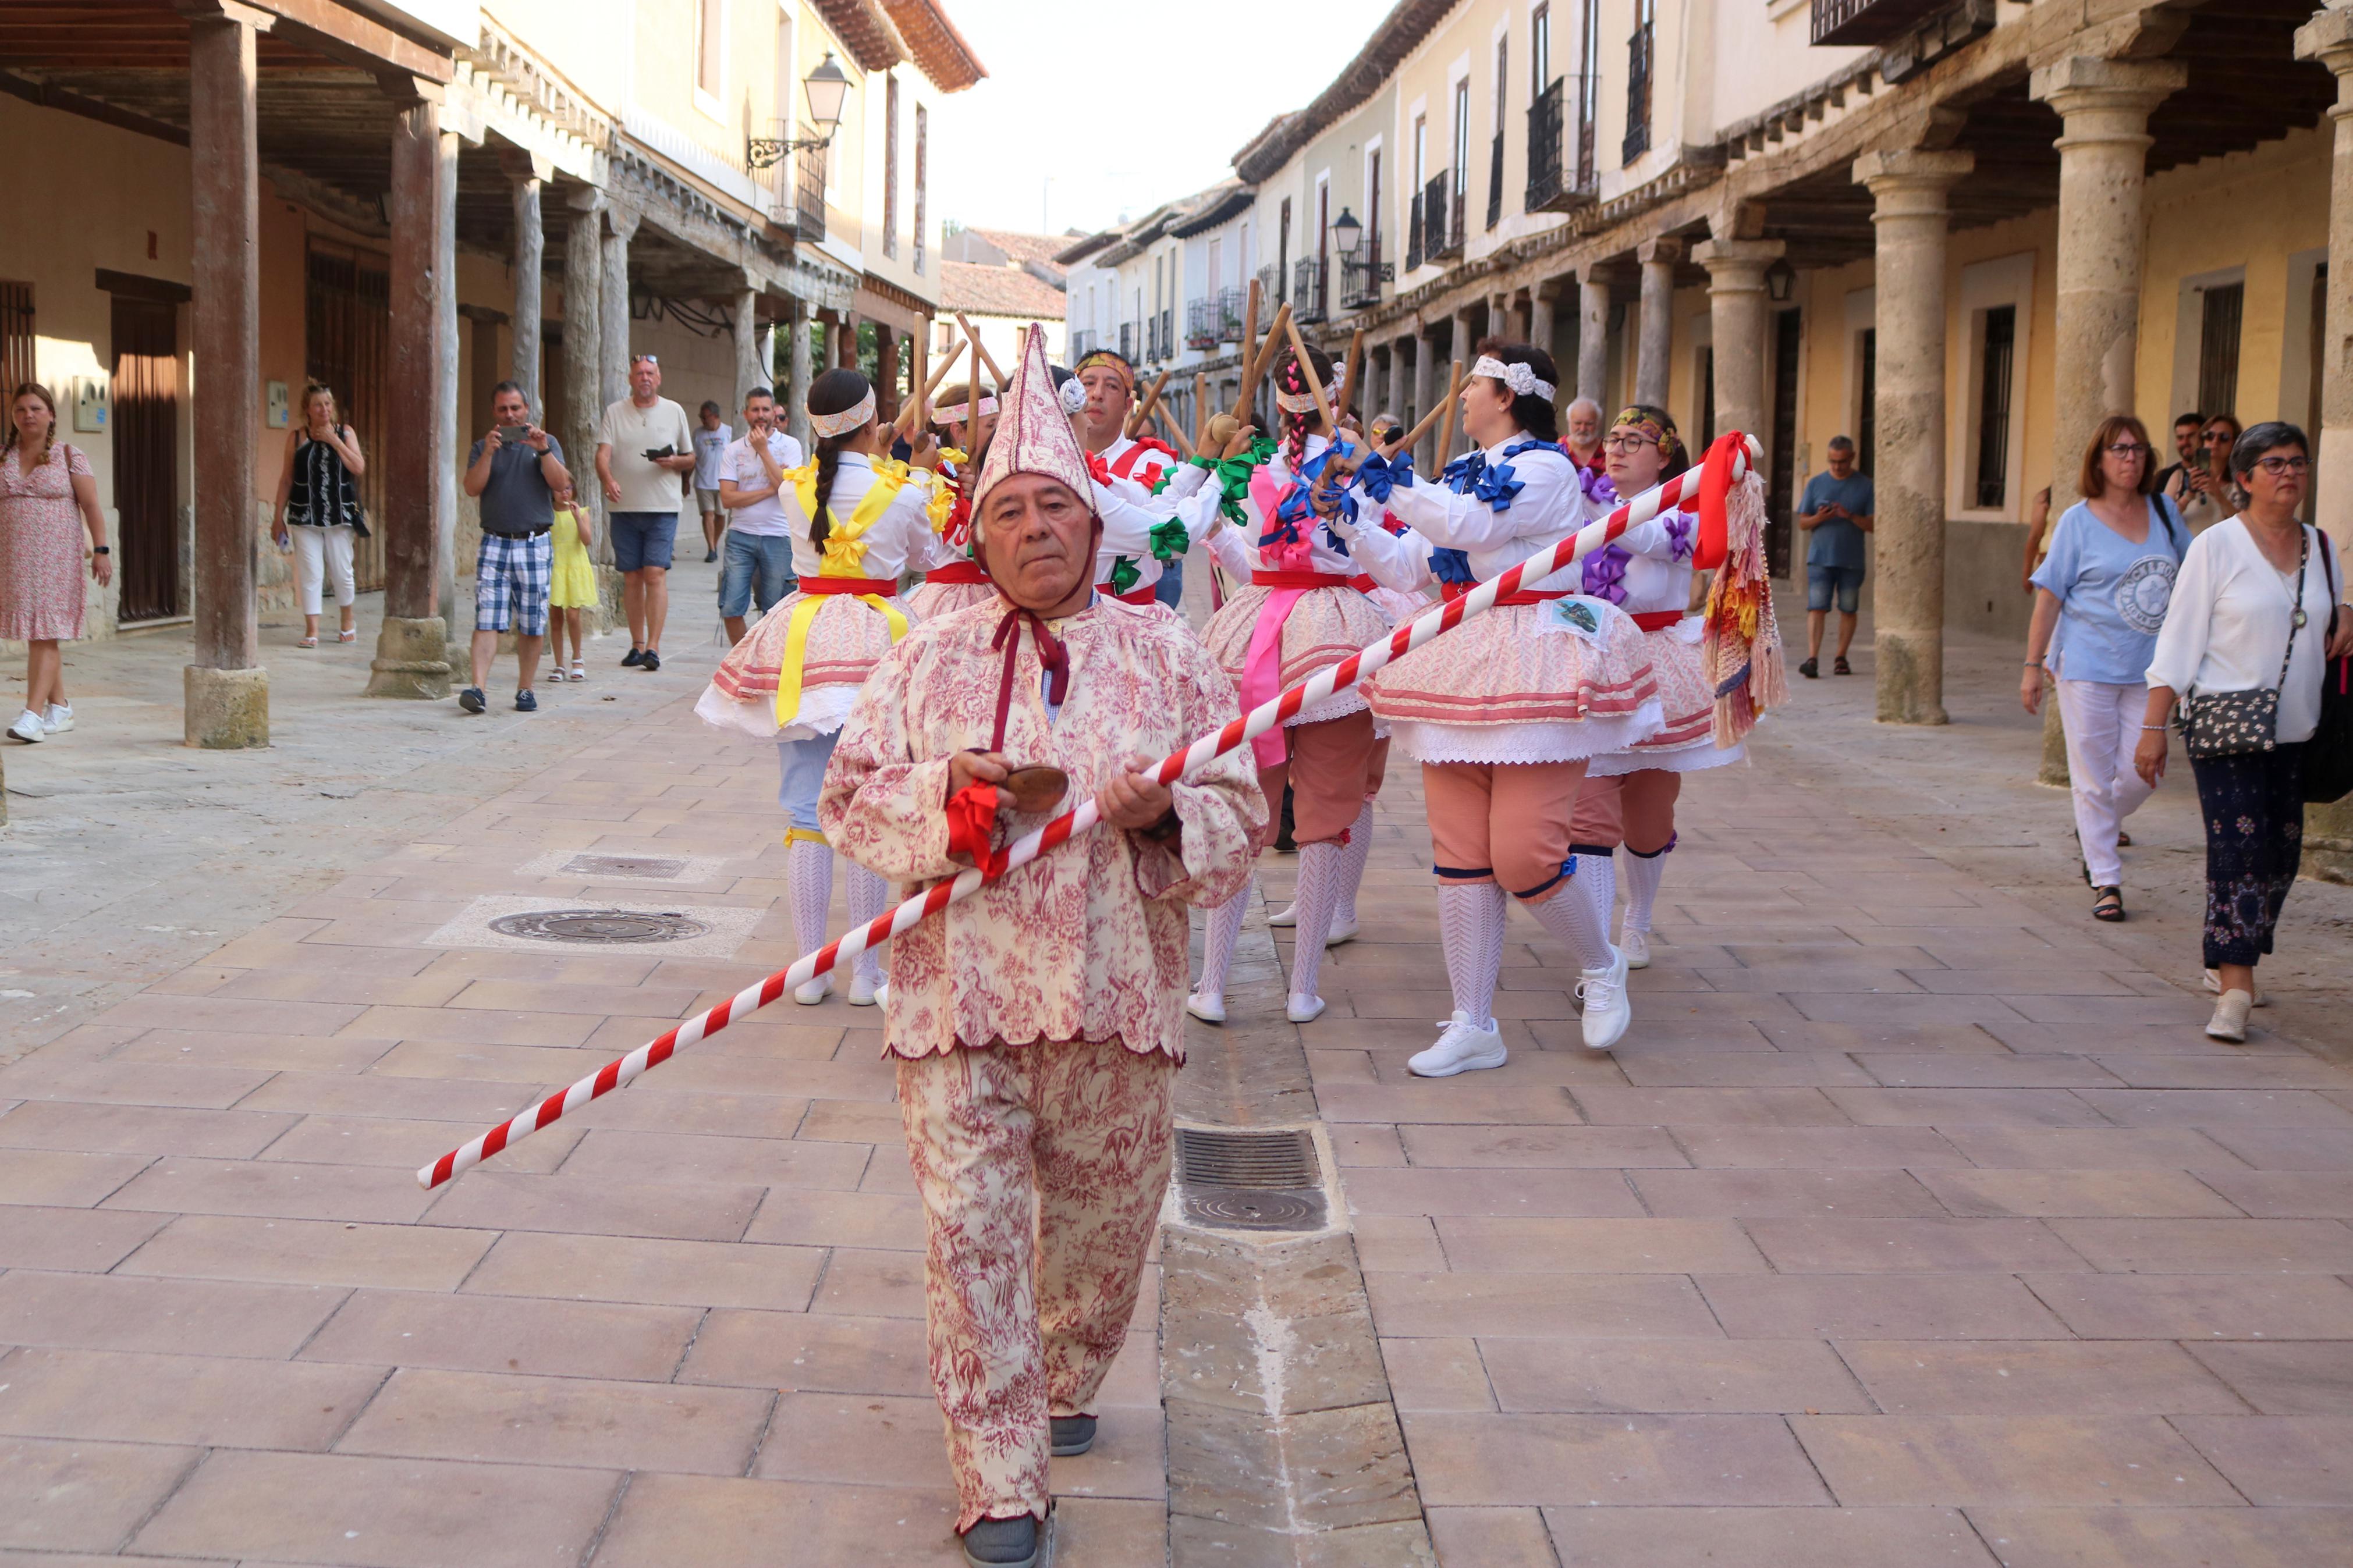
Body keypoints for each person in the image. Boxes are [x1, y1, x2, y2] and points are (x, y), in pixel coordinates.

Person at [819, 324, 1261, 1568]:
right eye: (1006, 510)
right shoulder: (923, 654)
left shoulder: (1169, 657)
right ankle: (999, 1475)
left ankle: (1063, 1373)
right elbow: (849, 802)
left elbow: (1238, 824)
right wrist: (953, 798)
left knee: (1100, 1232)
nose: (1032, 530)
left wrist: (1162, 809)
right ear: (977, 532)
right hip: (957, 1002)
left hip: (1118, 999)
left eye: (1053, 507)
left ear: (1092, 522)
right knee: (969, 1234)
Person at [1335, 342, 1665, 1068]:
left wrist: (1385, 478)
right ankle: (1471, 1023)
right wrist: (1347, 520)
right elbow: (1412, 565)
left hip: (1535, 656)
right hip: (1461, 650)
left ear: (1507, 395)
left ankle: (1601, 962)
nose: (1462, 396)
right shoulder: (1460, 475)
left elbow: (1474, 530)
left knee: (1525, 854)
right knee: (1460, 857)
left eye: (1475, 383)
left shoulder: (1545, 469)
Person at [694, 367, 942, 1008]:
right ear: (870, 420)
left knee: (808, 809)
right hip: (880, 641)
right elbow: (932, 558)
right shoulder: (902, 489)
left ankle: (810, 969)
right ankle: (866, 974)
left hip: (804, 642)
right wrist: (918, 474)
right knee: (868, 801)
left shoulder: (795, 488)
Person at [1188, 343, 1392, 1026]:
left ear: (1279, 407)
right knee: (1322, 816)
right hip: (1326, 628)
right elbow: (1371, 556)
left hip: (1270, 632)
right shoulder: (1346, 470)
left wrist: (1220, 533)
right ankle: (1298, 987)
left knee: (1251, 807)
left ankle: (1215, 983)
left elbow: (1252, 563)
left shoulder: (1274, 468)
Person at [2138, 421, 2353, 1042]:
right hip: (2227, 727)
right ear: (2244, 478)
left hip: (2296, 731)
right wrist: (2152, 725)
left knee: (2281, 857)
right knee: (2239, 853)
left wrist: (2345, 613)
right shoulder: (2216, 547)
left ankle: (2226, 947)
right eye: (2274, 463)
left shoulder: (2322, 547)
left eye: (2297, 463)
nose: (2288, 473)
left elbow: (2327, 610)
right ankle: (2235, 987)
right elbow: (2177, 640)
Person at [1580, 404, 1757, 975]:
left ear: (1663, 456)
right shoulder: (1583, 498)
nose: (1616, 448)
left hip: (1655, 661)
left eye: (1633, 441)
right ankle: (1594, 937)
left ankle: (1638, 921)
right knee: (1588, 808)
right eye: (1612, 438)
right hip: (1594, 658)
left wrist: (1592, 504)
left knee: (1650, 811)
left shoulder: (1685, 511)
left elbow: (1651, 540)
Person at [2021, 415, 2187, 923]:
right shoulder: (2076, 520)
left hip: (2151, 669)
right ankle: (2106, 879)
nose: (2129, 458)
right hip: (2087, 665)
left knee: (2142, 773)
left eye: (2137, 449)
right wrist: (2032, 664)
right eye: (2118, 450)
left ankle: (2093, 827)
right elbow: (2049, 598)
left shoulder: (2163, 511)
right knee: (2092, 780)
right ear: (2098, 459)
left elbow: (2193, 582)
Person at [1, 383, 110, 743]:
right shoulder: (3, 456)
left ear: (51, 415)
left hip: (55, 558)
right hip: (16, 559)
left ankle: (32, 716)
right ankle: (60, 708)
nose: (27, 415)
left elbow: (92, 506)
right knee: (38, 632)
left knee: (43, 634)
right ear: (13, 417)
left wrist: (102, 550)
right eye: (20, 410)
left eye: (35, 408)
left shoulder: (69, 456)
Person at [459, 381, 571, 713]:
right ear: (494, 412)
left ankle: (525, 689)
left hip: (534, 543)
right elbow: (471, 488)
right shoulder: (482, 447)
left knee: (532, 621)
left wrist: (543, 450)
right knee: (487, 618)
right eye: (503, 409)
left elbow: (561, 484)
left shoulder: (546, 443)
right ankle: (478, 689)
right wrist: (490, 453)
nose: (509, 415)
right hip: (495, 541)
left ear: (526, 410)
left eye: (515, 408)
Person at [595, 353, 695, 671]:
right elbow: (602, 455)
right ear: (630, 379)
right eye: (639, 373)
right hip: (624, 507)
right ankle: (637, 644)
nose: (645, 379)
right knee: (632, 577)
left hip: (662, 506)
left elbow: (690, 458)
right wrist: (608, 479)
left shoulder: (674, 411)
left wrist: (674, 462)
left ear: (659, 378)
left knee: (655, 574)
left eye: (650, 373)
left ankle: (654, 646)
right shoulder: (614, 412)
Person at [269, 383, 368, 648]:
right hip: (305, 516)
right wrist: (278, 516)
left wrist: (334, 442)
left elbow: (358, 467)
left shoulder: (345, 433)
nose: (324, 409)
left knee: (342, 570)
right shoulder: (296, 439)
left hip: (339, 515)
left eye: (328, 404)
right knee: (311, 571)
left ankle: (347, 621)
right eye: (318, 405)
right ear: (307, 410)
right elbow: (286, 479)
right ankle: (312, 629)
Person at [715, 386, 805, 645]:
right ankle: (745, 665)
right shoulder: (733, 450)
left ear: (775, 413)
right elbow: (728, 498)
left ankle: (767, 666)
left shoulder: (790, 446)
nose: (761, 415)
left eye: (766, 409)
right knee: (730, 607)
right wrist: (772, 486)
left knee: (775, 612)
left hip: (779, 537)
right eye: (755, 409)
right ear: (745, 414)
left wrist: (764, 451)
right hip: (740, 536)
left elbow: (789, 490)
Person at [907, 378, 999, 621]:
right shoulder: (939, 478)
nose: (999, 433)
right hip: (951, 598)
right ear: (959, 432)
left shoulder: (992, 472)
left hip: (994, 589)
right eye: (991, 425)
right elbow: (967, 544)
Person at [1796, 435, 1875, 678]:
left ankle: (1841, 657)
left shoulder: (1865, 486)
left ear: (1852, 458)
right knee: (1816, 608)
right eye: (1832, 461)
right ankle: (1813, 658)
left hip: (1852, 560)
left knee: (1849, 609)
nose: (1837, 466)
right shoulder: (1816, 484)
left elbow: (1873, 525)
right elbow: (1802, 523)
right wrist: (1821, 517)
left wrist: (1848, 515)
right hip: (1820, 558)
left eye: (1841, 461)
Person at [546, 479, 595, 683]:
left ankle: (577, 658)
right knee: (556, 618)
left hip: (574, 567)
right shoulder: (547, 514)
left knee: (574, 616)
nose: (564, 493)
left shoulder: (582, 512)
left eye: (568, 488)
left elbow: (587, 540)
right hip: (554, 568)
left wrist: (577, 518)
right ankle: (559, 664)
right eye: (559, 489)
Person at [2165, 413, 2242, 535]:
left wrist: (2219, 495)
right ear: (2202, 440)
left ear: (2235, 443)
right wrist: (2189, 495)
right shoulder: (2180, 477)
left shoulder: (2241, 481)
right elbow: (2163, 521)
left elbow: (2244, 526)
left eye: (2224, 437)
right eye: (2210, 436)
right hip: (2187, 551)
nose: (2215, 442)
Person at [693, 399, 732, 564]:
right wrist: (686, 481)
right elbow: (692, 458)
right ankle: (711, 548)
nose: (702, 420)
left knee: (720, 515)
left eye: (705, 417)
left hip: (723, 481)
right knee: (707, 514)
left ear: (715, 416)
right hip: (703, 482)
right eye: (701, 417)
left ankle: (714, 543)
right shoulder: (698, 434)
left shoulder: (729, 432)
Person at [2152, 411, 2203, 497]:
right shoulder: (2164, 477)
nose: (2185, 442)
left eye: (2191, 436)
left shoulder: (2218, 475)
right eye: (2180, 438)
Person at [1563, 396, 1607, 476]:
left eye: (1589, 424)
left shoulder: (1608, 450)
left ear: (1598, 424)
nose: (1583, 429)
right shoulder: (1558, 448)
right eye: (1578, 423)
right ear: (1569, 422)